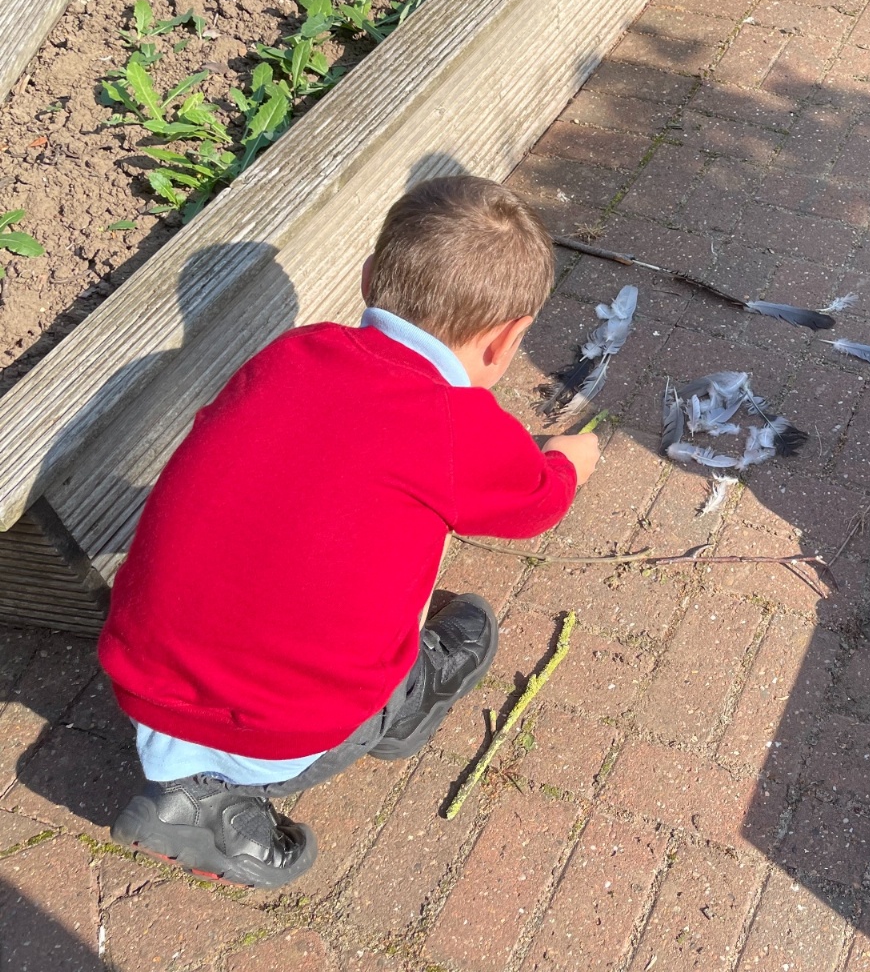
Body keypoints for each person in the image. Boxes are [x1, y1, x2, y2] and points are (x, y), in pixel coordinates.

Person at [100, 176, 600, 887]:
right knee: (415, 639)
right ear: (507, 340)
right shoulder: (456, 424)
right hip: (284, 731)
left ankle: (198, 772)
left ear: (368, 278)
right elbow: (534, 506)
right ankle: (244, 791)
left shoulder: (291, 353)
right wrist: (570, 463)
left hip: (141, 675)